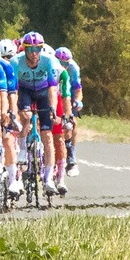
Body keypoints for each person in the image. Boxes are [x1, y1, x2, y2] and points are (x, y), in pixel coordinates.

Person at [15, 31, 69, 197]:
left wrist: (53, 108)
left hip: (43, 92)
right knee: (26, 117)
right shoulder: (15, 62)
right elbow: (12, 89)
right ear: (24, 50)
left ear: (42, 48)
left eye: (37, 49)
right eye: (30, 49)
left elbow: (53, 88)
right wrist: (15, 109)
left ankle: (48, 179)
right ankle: (23, 150)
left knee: (47, 135)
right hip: (24, 90)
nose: (34, 53)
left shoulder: (49, 60)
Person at [0, 34, 23, 196]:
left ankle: (13, 180)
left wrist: (10, 114)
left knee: (8, 139)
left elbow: (9, 95)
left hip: (6, 99)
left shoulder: (6, 67)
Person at [55, 45, 83, 176]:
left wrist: (77, 101)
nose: (63, 65)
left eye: (65, 63)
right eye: (60, 63)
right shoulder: (52, 67)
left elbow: (78, 89)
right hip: (55, 94)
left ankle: (71, 155)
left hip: (68, 94)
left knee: (72, 121)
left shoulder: (74, 69)